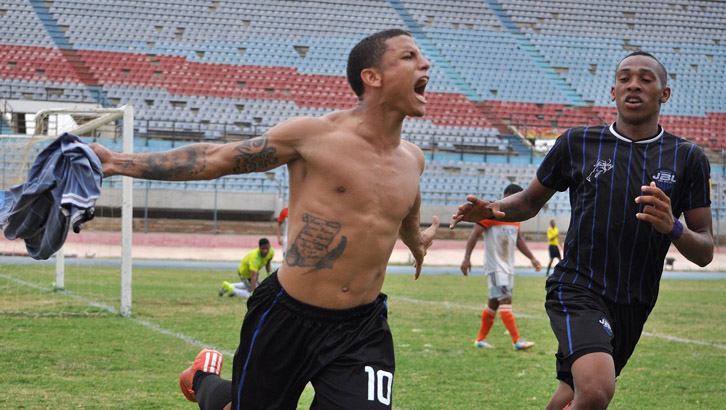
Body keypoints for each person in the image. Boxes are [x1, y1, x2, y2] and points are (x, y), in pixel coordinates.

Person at [91, 28, 439, 410]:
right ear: (371, 77)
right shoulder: (314, 136)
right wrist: (117, 162)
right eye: (408, 56)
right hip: (287, 317)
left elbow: (405, 213)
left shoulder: (413, 160)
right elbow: (215, 159)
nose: (424, 63)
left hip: (362, 328)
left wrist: (417, 243)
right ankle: (203, 380)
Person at [451, 51, 713, 410]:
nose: (633, 85)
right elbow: (528, 201)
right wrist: (494, 209)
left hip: (635, 300)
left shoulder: (688, 158)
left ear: (664, 93)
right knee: (595, 391)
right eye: (624, 78)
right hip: (578, 286)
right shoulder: (577, 143)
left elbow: (705, 250)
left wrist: (673, 226)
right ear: (613, 91)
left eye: (645, 79)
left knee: (572, 394)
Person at [460, 184, 541, 350]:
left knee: (494, 303)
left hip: (508, 267)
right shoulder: (490, 213)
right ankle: (517, 341)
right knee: (505, 299)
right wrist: (466, 258)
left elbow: (518, 240)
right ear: (509, 196)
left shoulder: (515, 218)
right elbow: (474, 234)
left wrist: (532, 258)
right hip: (495, 266)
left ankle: (480, 340)